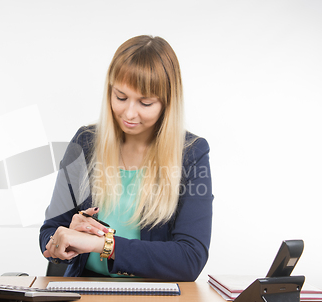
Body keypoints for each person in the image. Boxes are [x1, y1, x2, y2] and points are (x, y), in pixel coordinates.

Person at [39, 35, 212, 281]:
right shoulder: (85, 143)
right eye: (120, 97)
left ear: (167, 103)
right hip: (85, 293)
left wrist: (103, 245)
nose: (129, 113)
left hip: (155, 298)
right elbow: (48, 232)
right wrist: (61, 239)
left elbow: (190, 258)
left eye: (145, 102)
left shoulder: (191, 153)